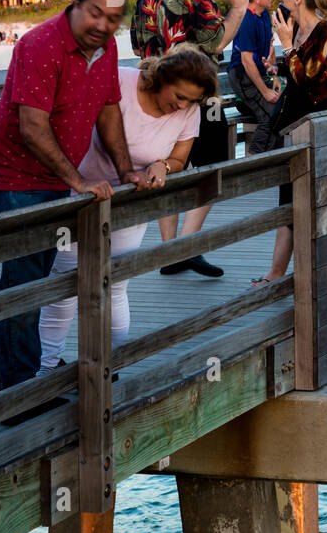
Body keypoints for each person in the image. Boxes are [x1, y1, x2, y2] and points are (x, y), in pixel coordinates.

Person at [0, 0, 145, 396]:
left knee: (45, 276)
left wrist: (126, 171)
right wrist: (78, 180)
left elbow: (109, 111)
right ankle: (15, 391)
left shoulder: (107, 49)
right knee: (25, 281)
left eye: (112, 18)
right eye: (95, 13)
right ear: (76, 5)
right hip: (15, 178)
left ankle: (33, 375)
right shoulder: (40, 44)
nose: (102, 25)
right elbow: (32, 128)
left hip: (55, 181)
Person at [38, 49, 216, 373]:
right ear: (161, 78)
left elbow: (178, 159)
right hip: (79, 193)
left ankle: (109, 366)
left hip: (131, 202)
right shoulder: (119, 80)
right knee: (64, 282)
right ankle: (48, 367)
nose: (181, 106)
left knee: (114, 282)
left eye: (190, 101)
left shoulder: (188, 112)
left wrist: (162, 166)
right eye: (178, 96)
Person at [131, 0, 248, 278]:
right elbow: (217, 41)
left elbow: (139, 49)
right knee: (214, 167)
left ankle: (171, 251)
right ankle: (187, 245)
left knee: (164, 166)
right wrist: (238, 7)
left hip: (155, 95)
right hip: (198, 93)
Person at [252, 0, 327, 285]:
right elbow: (298, 72)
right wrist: (278, 63)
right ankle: (276, 274)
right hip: (297, 125)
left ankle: (322, 271)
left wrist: (285, 47)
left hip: (325, 124)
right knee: (289, 199)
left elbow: (310, 81)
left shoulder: (326, 30)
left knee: (323, 199)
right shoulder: (298, 31)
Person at [229, 0, 280, 153]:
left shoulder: (265, 15)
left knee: (283, 109)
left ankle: (272, 161)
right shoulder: (246, 20)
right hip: (243, 76)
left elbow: (268, 55)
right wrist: (265, 92)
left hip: (258, 74)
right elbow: (247, 61)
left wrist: (274, 78)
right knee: (272, 114)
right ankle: (253, 158)